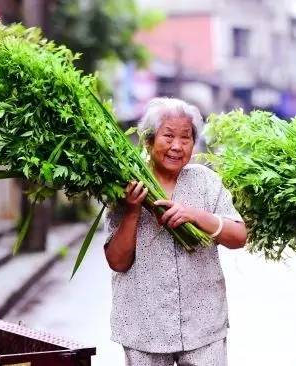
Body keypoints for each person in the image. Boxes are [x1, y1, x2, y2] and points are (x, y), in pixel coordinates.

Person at [103, 97, 247, 366]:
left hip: (203, 328)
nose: (177, 146)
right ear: (148, 140)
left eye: (186, 138)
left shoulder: (205, 180)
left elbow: (239, 237)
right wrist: (133, 209)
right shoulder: (126, 185)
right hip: (144, 328)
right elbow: (117, 262)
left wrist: (195, 215)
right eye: (168, 136)